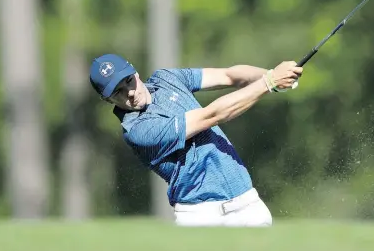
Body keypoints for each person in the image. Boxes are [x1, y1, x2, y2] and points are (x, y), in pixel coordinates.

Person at [89, 53, 303, 227]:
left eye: (129, 81)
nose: (131, 92)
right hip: (201, 217)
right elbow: (212, 115)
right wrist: (269, 82)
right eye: (119, 92)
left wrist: (275, 75)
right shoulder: (138, 131)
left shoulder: (166, 79)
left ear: (135, 71)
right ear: (107, 100)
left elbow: (229, 76)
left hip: (249, 203)